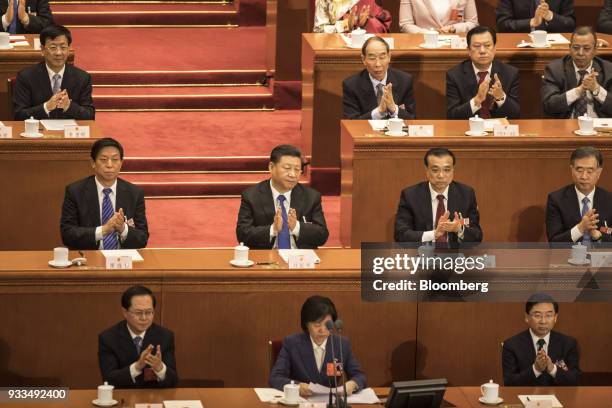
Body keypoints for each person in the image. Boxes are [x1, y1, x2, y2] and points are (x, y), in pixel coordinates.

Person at [60, 138, 149, 250]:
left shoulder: (134, 193)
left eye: (115, 159)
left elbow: (143, 238)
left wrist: (123, 229)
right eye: (103, 159)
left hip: (122, 260)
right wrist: (103, 230)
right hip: (89, 259)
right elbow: (67, 235)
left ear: (121, 163)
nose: (109, 165)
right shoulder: (75, 191)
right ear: (93, 163)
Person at [269, 295, 367, 397]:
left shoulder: (341, 344)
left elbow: (359, 376)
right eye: (317, 325)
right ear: (307, 324)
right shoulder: (292, 343)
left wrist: (353, 384)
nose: (323, 330)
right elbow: (275, 378)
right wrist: (297, 387)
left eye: (327, 324)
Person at [236, 144, 329, 249]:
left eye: (297, 169)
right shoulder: (251, 196)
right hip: (266, 260)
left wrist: (297, 227)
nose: (293, 174)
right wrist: (272, 230)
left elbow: (322, 236)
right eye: (287, 168)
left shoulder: (311, 197)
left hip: (300, 260)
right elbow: (242, 235)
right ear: (271, 167)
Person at [394, 147, 482, 243]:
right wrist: (433, 234)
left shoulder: (466, 194)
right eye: (435, 170)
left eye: (447, 170)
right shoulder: (410, 195)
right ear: (427, 171)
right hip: (422, 254)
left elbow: (477, 236)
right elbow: (400, 234)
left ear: (453, 170)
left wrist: (459, 229)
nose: (441, 175)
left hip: (456, 255)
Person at [98, 285, 178, 388]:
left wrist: (160, 368)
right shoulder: (108, 338)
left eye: (149, 312)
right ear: (125, 312)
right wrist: (137, 367)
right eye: (138, 312)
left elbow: (173, 381)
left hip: (154, 400)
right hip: (123, 399)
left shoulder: (165, 336)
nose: (144, 318)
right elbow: (108, 380)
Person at [13, 24, 94, 120]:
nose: (58, 53)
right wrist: (46, 107)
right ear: (42, 50)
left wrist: (69, 106)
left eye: (63, 47)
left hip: (69, 133)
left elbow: (90, 115)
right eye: (53, 47)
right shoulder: (26, 77)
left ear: (68, 49)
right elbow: (19, 115)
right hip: (39, 133)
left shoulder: (82, 78)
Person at [502, 293, 580, 386]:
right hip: (524, 398)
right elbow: (509, 383)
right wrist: (535, 369)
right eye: (537, 315)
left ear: (555, 317)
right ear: (527, 317)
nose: (543, 321)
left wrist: (552, 369)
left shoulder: (569, 343)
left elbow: (575, 380)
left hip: (560, 399)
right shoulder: (511, 345)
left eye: (548, 315)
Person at [446, 26, 520, 119]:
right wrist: (477, 100)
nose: (482, 51)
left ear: (495, 48)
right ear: (468, 50)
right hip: (468, 129)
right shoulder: (454, 75)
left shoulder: (510, 73)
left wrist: (501, 98)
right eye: (477, 46)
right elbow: (452, 116)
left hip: (498, 130)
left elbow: (516, 114)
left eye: (487, 45)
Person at [542, 26, 612, 119]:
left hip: (599, 127)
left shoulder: (608, 70)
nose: (580, 53)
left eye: (586, 48)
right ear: (569, 48)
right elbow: (549, 105)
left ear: (595, 50)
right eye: (576, 48)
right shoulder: (555, 69)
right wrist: (578, 91)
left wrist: (596, 89)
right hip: (566, 127)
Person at [546, 146, 612, 243]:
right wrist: (580, 228)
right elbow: (554, 242)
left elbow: (610, 231)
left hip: (602, 256)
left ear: (599, 172)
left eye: (590, 171)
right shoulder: (556, 200)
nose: (584, 176)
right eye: (579, 170)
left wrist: (599, 235)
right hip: (568, 256)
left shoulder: (609, 200)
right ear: (572, 170)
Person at [342, 36, 416, 119]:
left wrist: (394, 109)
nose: (378, 64)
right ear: (363, 59)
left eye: (382, 57)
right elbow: (351, 123)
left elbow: (412, 119)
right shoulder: (351, 85)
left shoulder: (404, 80)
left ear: (389, 57)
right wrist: (378, 112)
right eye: (372, 58)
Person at [399, 0, 478, 34]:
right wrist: (427, 34)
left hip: (456, 45)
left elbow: (473, 23)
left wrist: (453, 28)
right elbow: (405, 24)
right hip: (422, 45)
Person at [313, 0, 391, 34]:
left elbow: (382, 23)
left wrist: (368, 22)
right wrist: (346, 25)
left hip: (368, 48)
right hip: (336, 50)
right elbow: (319, 30)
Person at [496, 0, 575, 33]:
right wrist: (532, 22)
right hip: (520, 45)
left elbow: (571, 24)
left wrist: (550, 16)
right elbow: (502, 24)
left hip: (554, 47)